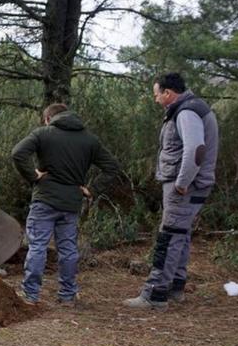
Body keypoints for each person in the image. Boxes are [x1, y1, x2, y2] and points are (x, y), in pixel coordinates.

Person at [123, 72, 219, 310]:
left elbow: (196, 149)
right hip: (195, 184)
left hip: (185, 187)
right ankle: (175, 287)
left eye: (157, 95)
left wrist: (182, 183)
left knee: (169, 237)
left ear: (168, 93)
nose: (155, 100)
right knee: (181, 235)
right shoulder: (191, 109)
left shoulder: (186, 112)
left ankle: (154, 295)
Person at [12, 103, 120, 306]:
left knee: (37, 247)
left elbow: (18, 153)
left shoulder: (43, 133)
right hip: (71, 203)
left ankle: (30, 295)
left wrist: (33, 175)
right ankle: (68, 295)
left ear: (48, 119)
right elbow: (112, 167)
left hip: (44, 199)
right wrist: (92, 189)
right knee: (68, 249)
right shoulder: (89, 139)